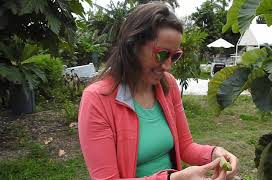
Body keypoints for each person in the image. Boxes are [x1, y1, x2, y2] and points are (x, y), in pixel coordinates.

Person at [78, 2, 238, 180]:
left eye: (175, 56)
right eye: (162, 54)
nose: (168, 66)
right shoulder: (98, 99)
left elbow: (185, 147)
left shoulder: (167, 86)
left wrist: (214, 153)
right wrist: (172, 178)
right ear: (133, 47)